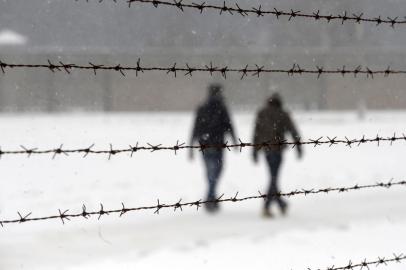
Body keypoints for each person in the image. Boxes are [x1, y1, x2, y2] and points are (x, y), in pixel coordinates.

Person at [252, 93, 303, 218]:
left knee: (273, 177)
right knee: (273, 178)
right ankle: (267, 207)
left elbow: (256, 133)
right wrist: (298, 146)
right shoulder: (282, 113)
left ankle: (280, 204)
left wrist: (255, 150)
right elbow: (293, 130)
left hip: (266, 150)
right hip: (277, 149)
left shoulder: (262, 113)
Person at [190, 83, 237, 213]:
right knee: (217, 171)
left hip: (205, 144)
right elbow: (229, 125)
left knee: (210, 171)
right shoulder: (221, 108)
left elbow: (195, 127)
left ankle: (211, 196)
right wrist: (234, 140)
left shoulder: (203, 107)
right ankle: (211, 197)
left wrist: (191, 146)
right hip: (217, 145)